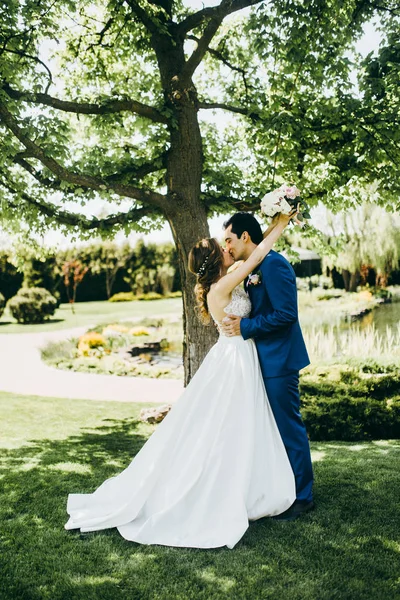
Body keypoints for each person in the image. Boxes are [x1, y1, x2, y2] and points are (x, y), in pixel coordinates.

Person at [65, 211, 296, 549]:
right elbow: (259, 254)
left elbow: (253, 262)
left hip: (236, 354)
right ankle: (229, 488)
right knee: (234, 424)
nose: (229, 248)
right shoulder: (223, 285)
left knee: (238, 424)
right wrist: (282, 225)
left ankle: (247, 484)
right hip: (234, 358)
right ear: (218, 258)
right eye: (224, 247)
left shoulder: (222, 282)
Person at [221, 212, 314, 521]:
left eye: (230, 239)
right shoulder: (253, 268)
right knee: (270, 430)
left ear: (245, 236)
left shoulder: (274, 265)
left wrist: (246, 326)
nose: (228, 246)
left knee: (288, 427)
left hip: (280, 360)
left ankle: (303, 496)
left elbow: (286, 314)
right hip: (260, 359)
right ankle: (281, 488)